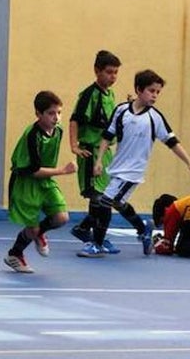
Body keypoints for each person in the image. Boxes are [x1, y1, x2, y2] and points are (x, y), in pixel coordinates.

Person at [80, 69, 190, 258]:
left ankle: (97, 244)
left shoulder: (155, 118)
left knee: (104, 202)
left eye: (157, 92)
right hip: (117, 168)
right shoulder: (121, 110)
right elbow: (107, 136)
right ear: (138, 89)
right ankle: (143, 229)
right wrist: (98, 162)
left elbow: (172, 142)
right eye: (151, 91)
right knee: (118, 203)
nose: (155, 95)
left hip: (133, 172)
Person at [3, 91, 78, 273]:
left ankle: (40, 233)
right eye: (51, 113)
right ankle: (15, 254)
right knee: (32, 229)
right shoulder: (32, 135)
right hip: (26, 182)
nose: (56, 117)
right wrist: (62, 170)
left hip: (45, 179)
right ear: (38, 114)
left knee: (61, 218)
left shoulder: (58, 131)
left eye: (59, 112)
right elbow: (33, 170)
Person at [68, 50, 122, 254]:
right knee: (100, 198)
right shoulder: (89, 95)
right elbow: (75, 120)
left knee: (100, 197)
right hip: (90, 152)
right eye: (109, 72)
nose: (113, 76)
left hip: (104, 152)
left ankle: (85, 231)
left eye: (116, 72)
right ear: (97, 71)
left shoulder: (110, 95)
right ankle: (95, 239)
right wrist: (74, 146)